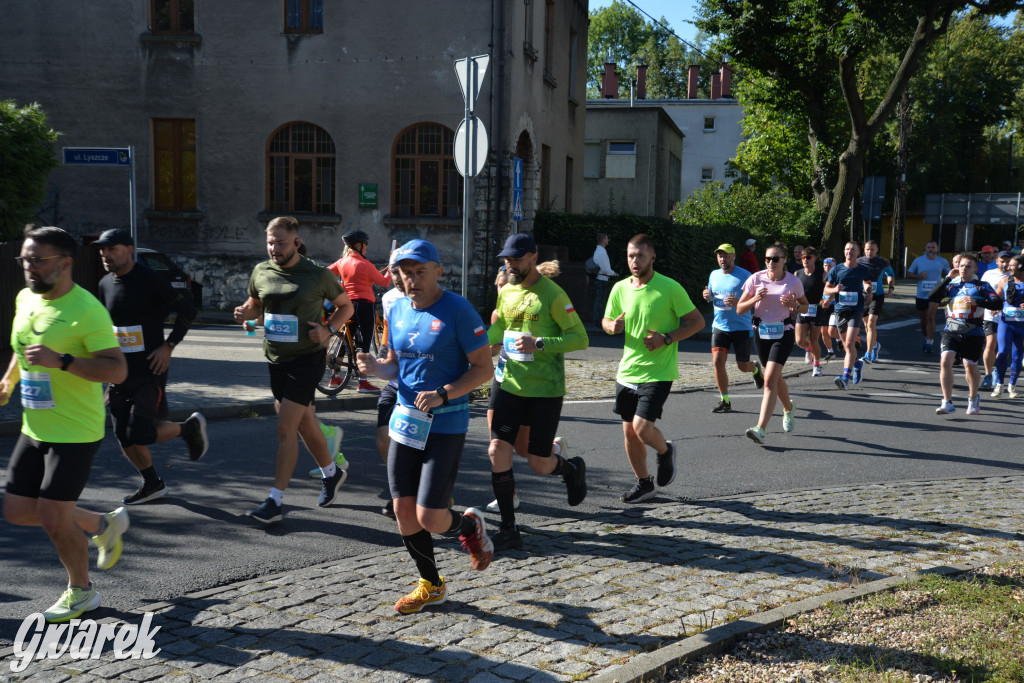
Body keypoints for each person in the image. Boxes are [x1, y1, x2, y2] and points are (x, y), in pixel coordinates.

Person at [356, 239, 494, 614]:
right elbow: (394, 364)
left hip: (446, 423)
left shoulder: (459, 311)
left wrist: (443, 394)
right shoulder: (397, 309)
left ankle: (469, 527)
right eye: (405, 273)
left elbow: (484, 368)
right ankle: (431, 585)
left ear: (438, 272)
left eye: (420, 272)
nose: (412, 280)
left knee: (430, 518)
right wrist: (376, 368)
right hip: (407, 421)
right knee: (403, 511)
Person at [2, 226, 129, 623]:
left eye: (38, 261)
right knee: (17, 510)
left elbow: (117, 370)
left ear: (66, 262)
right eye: (25, 260)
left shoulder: (86, 311)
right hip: (35, 426)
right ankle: (102, 524)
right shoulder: (26, 298)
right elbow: (23, 349)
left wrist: (64, 361)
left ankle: (82, 591)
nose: (30, 268)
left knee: (54, 519)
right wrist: (8, 381)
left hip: (75, 431)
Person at [234, 217, 354, 524]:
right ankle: (332, 473)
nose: (274, 248)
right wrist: (246, 314)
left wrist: (328, 330)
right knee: (305, 423)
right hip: (276, 359)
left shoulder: (317, 274)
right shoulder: (261, 271)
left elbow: (346, 306)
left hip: (307, 359)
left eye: (281, 243)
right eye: (270, 243)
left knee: (285, 427)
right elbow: (256, 304)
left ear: (296, 243)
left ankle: (275, 501)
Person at [92, 229, 209, 505]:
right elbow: (104, 326)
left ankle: (188, 429)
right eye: (102, 250)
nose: (105, 254)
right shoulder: (105, 284)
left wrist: (168, 346)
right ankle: (152, 483)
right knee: (122, 435)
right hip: (119, 372)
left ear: (129, 249)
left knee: (139, 433)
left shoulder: (149, 279)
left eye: (112, 249)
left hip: (150, 370)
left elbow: (188, 311)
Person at [486, 233, 588, 549]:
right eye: (507, 259)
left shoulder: (553, 295)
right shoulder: (507, 291)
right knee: (497, 449)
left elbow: (580, 338)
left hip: (545, 389)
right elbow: (499, 329)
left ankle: (571, 469)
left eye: (516, 259)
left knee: (538, 463)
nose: (510, 264)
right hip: (509, 384)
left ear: (533, 257)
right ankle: (509, 527)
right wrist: (478, 344)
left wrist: (539, 343)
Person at [604, 234, 704, 501]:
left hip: (658, 371)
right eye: (630, 256)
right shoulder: (620, 288)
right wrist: (611, 326)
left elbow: (697, 322)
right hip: (627, 370)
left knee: (641, 428)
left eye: (640, 255)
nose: (634, 261)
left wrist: (667, 338)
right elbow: (606, 319)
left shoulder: (669, 287)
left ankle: (665, 451)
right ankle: (644, 483)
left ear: (652, 257)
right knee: (629, 432)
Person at [484, 260, 568, 515]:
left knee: (523, 450)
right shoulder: (498, 313)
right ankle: (509, 497)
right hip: (503, 380)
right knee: (497, 445)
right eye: (499, 287)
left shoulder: (532, 308)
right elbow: (493, 347)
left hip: (530, 383)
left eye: (505, 285)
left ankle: (555, 450)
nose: (503, 291)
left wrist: (537, 343)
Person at [736, 243, 808, 444]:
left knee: (768, 380)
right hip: (761, 333)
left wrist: (794, 306)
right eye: (767, 258)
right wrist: (755, 299)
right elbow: (740, 309)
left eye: (775, 259)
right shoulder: (756, 279)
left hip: (783, 332)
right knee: (775, 377)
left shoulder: (793, 282)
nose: (770, 262)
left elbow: (805, 306)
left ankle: (760, 428)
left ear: (784, 260)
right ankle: (789, 408)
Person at [929, 253, 1002, 415]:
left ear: (975, 269)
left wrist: (979, 302)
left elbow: (997, 303)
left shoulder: (982, 286)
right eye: (961, 265)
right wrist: (948, 278)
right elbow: (932, 296)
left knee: (970, 367)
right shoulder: (952, 286)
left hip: (973, 331)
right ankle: (947, 402)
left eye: (968, 266)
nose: (964, 268)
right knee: (945, 361)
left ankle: (973, 398)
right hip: (951, 330)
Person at [328, 229, 392, 394]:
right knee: (364, 342)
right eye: (365, 244)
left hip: (346, 305)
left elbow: (326, 273)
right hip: (364, 305)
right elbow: (385, 282)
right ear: (358, 245)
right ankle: (363, 382)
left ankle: (335, 377)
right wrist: (391, 267)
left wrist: (339, 288)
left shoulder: (342, 262)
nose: (367, 247)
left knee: (345, 339)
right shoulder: (366, 265)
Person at [702, 243, 764, 413]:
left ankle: (755, 368)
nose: (723, 259)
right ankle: (725, 401)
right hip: (720, 326)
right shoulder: (714, 274)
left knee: (742, 366)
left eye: (726, 255)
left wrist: (739, 303)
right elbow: (711, 294)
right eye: (720, 256)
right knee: (717, 362)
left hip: (741, 327)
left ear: (734, 256)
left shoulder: (745, 276)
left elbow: (758, 299)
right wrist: (707, 295)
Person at [824, 241, 874, 389]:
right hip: (840, 310)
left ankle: (845, 378)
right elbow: (826, 289)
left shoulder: (862, 269)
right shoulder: (837, 269)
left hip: (856, 310)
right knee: (847, 346)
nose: (849, 252)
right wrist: (835, 290)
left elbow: (867, 283)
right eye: (847, 249)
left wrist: (869, 291)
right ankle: (857, 364)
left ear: (858, 253)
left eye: (852, 250)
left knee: (850, 344)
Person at [907, 242, 951, 353]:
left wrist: (947, 285)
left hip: (935, 294)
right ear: (925, 249)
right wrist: (919, 276)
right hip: (921, 294)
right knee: (923, 319)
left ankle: (929, 341)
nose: (931, 249)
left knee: (931, 316)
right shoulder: (918, 260)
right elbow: (909, 274)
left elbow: (949, 275)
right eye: (929, 247)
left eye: (933, 247)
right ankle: (927, 336)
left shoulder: (942, 261)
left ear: (937, 249)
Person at [858, 240, 895, 364]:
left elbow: (890, 274)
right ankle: (874, 345)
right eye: (867, 249)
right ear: (864, 249)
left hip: (877, 296)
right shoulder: (858, 262)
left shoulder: (883, 262)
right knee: (866, 325)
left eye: (872, 249)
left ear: (877, 250)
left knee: (871, 323)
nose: (870, 251)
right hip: (863, 296)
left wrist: (891, 287)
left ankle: (868, 353)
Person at [980, 250, 1012, 389]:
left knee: (1004, 348)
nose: (1005, 264)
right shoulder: (989, 274)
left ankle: (997, 370)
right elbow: (981, 291)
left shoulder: (1016, 275)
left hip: (1009, 316)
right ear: (997, 261)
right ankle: (987, 375)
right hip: (990, 315)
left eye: (1008, 261)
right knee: (990, 344)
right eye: (1002, 261)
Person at [993, 255, 1024, 398]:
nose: (1008, 267)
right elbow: (994, 298)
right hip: (1006, 324)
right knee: (1003, 352)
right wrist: (993, 306)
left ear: (1021, 267)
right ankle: (999, 384)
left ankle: (1012, 385)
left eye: (1012, 265)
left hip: (1022, 326)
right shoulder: (1005, 280)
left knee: (1017, 356)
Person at [795, 247, 827, 377]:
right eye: (803, 257)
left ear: (814, 258)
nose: (805, 260)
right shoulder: (798, 273)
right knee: (799, 341)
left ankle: (817, 365)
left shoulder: (822, 274)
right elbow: (793, 290)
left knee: (814, 340)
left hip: (816, 309)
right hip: (802, 309)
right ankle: (807, 348)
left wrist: (826, 299)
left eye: (808, 257)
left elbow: (829, 289)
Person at [590, 233, 618, 327]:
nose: (608, 240)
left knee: (599, 301)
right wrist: (614, 273)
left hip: (600, 278)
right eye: (607, 239)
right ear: (603, 240)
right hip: (602, 279)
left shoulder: (599, 251)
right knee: (600, 302)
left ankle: (597, 321)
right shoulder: (601, 252)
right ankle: (597, 322)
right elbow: (605, 269)